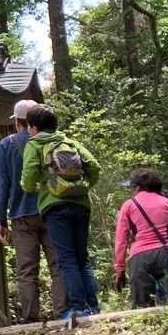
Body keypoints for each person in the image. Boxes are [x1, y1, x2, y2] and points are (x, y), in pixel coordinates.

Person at [18, 106, 101, 321]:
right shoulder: (70, 142)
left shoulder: (34, 144)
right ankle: (93, 306)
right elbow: (94, 166)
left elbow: (28, 176)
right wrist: (83, 187)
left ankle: (79, 308)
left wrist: (33, 187)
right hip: (81, 204)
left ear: (33, 128)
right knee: (83, 258)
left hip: (54, 206)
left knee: (66, 258)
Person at [0, 98, 65, 323]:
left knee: (26, 270)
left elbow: (1, 182)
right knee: (58, 265)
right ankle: (63, 313)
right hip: (52, 211)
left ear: (17, 123)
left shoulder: (7, 144)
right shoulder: (52, 141)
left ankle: (31, 320)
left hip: (22, 215)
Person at [113, 167, 168, 308]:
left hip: (139, 258)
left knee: (141, 307)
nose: (131, 191)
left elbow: (121, 240)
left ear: (138, 187)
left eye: (132, 187)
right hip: (165, 255)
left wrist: (119, 269)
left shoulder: (128, 205)